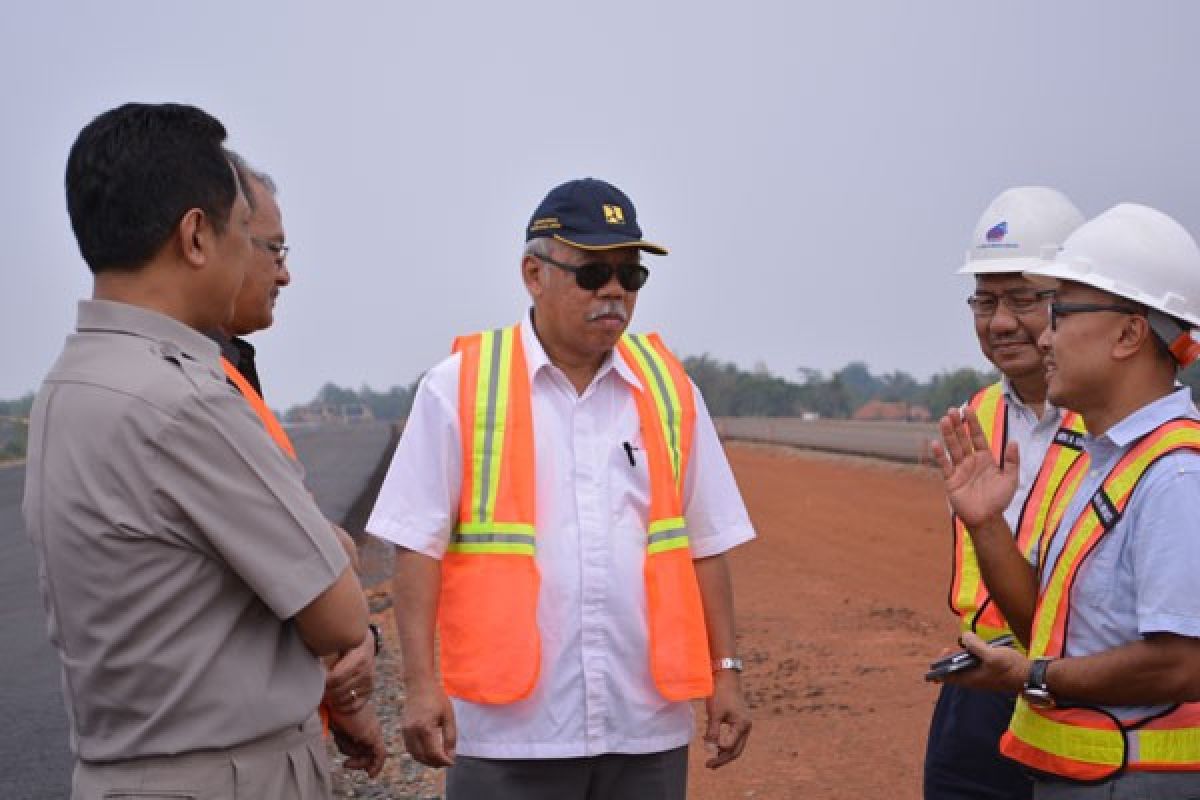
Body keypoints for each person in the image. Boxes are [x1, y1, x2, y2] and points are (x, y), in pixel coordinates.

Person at [367, 177, 755, 799]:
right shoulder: (458, 386)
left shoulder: (671, 392)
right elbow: (416, 544)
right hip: (509, 733)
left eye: (630, 276)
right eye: (592, 273)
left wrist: (727, 673)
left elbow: (706, 543)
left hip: (644, 726)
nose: (613, 293)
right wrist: (419, 683)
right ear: (532, 273)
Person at [23, 102, 368, 800]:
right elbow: (340, 611)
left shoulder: (69, 384)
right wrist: (334, 551)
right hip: (229, 776)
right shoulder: (185, 401)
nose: (256, 257)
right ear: (196, 237)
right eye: (247, 231)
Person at [932, 203, 1200, 798]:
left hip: (1133, 774)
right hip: (1074, 764)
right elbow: (1054, 628)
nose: (1041, 335)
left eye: (1060, 313)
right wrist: (987, 526)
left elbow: (1183, 663)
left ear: (1131, 333)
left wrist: (1031, 674)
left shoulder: (1175, 477)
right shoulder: (1114, 461)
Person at [216, 153, 386, 775]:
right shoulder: (196, 396)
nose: (284, 276)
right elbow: (319, 569)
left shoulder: (229, 369)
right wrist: (359, 642)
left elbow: (313, 546)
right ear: (205, 239)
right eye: (275, 251)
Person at [924, 187, 1085, 800]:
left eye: (1023, 298)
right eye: (985, 299)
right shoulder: (975, 419)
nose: (999, 321)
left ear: (1073, 296)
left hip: (1082, 691)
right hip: (977, 693)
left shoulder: (1119, 423)